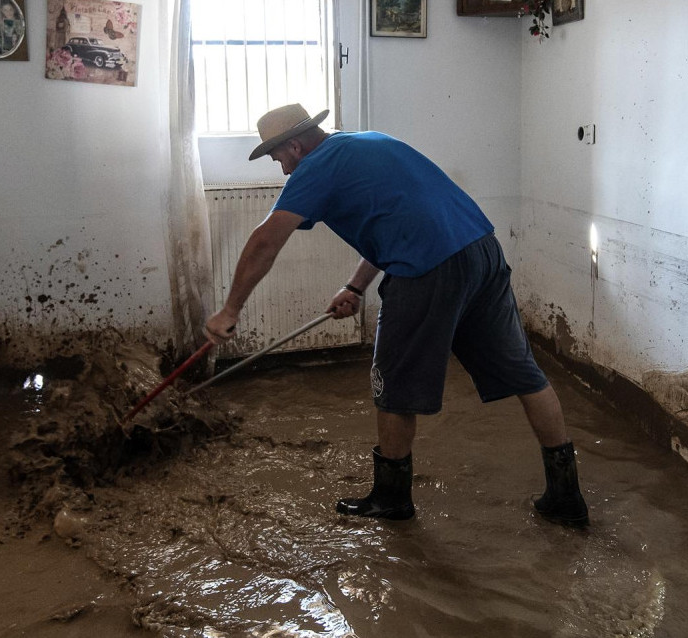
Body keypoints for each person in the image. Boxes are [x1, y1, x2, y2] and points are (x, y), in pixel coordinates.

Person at [203, 104, 589, 526]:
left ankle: (391, 498)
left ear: (294, 146)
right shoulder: (370, 141)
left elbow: (265, 241)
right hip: (481, 251)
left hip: (428, 269)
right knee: (523, 372)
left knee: (391, 380)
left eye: (278, 158)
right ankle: (566, 495)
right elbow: (397, 222)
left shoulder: (316, 167)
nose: (282, 171)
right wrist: (355, 287)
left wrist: (230, 310)